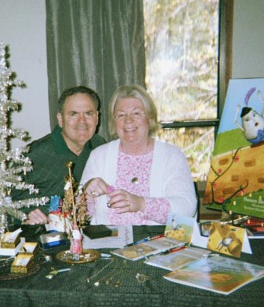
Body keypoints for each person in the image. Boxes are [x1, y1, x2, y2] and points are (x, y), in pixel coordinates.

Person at [81, 84, 197, 225]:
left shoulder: (172, 156)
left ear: (149, 118)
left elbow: (187, 209)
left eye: (136, 113)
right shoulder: (98, 156)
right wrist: (87, 195)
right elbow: (81, 217)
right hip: (107, 243)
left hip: (159, 243)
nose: (128, 121)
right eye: (121, 115)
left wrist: (141, 203)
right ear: (114, 121)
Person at [11, 86, 105, 225]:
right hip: (47, 237)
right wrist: (25, 215)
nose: (82, 121)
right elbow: (4, 201)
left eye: (88, 113)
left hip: (93, 233)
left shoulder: (101, 147)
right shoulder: (32, 155)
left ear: (97, 118)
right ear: (60, 119)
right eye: (73, 114)